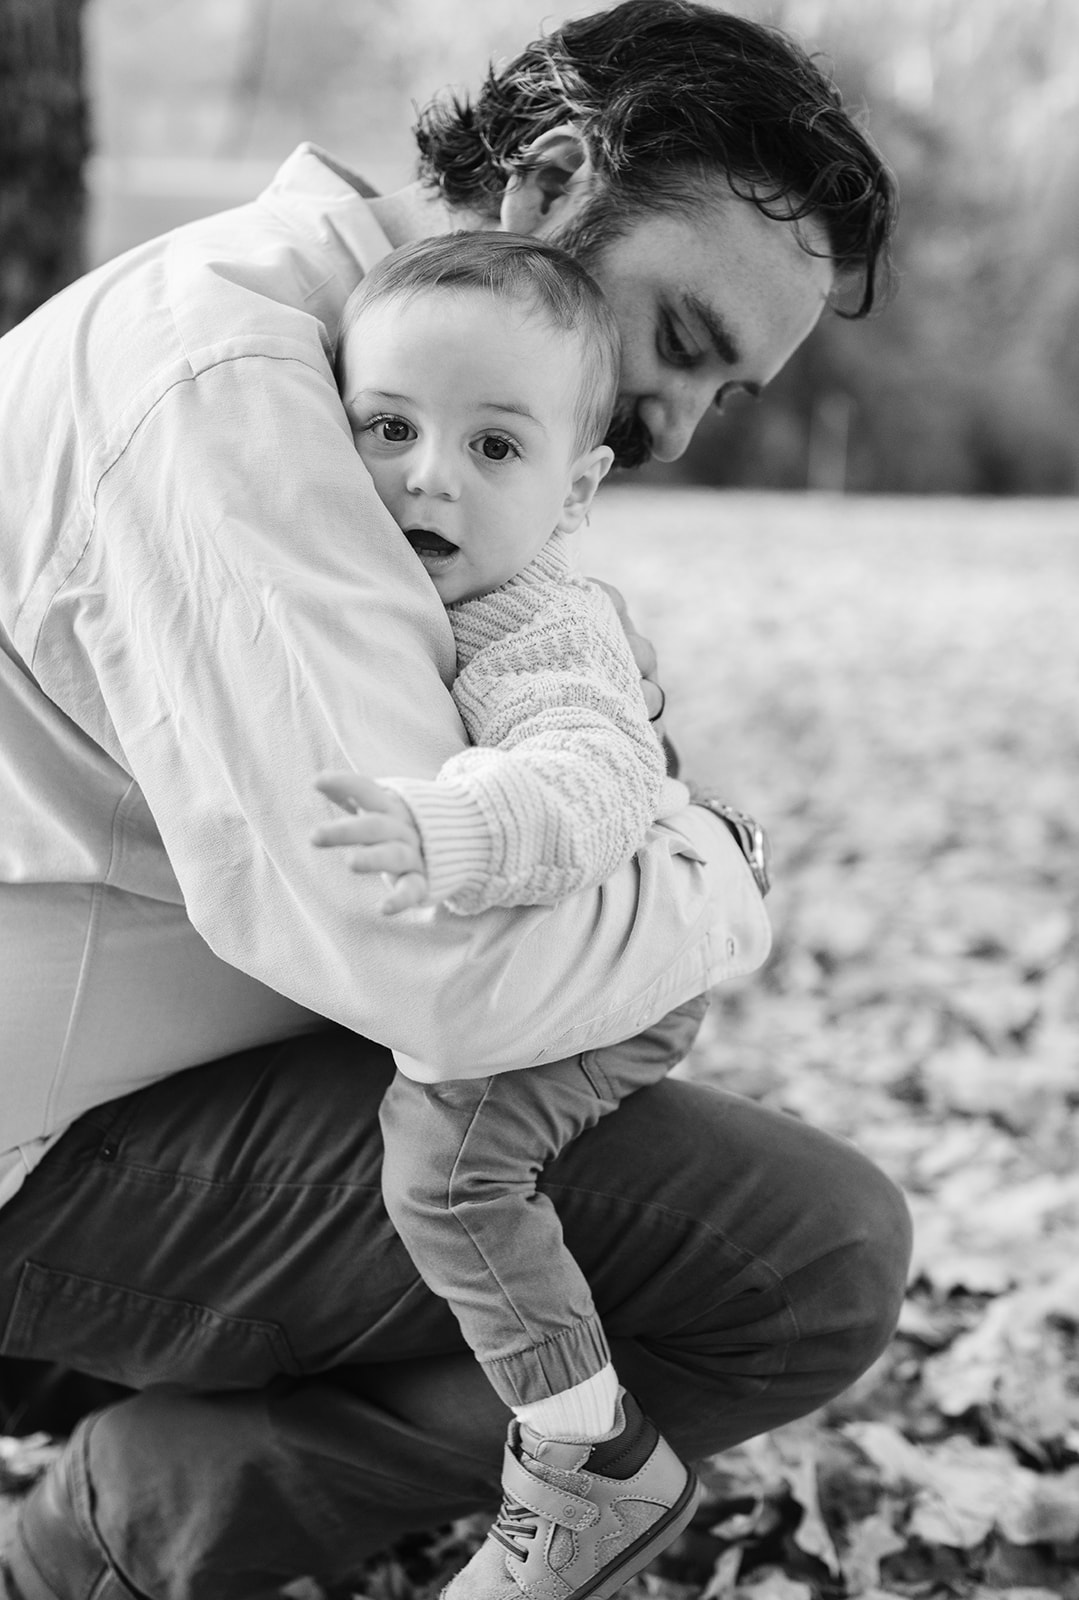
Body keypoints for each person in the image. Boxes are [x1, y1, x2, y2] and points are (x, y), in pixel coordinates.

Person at [0, 2, 910, 1594]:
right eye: (685, 342)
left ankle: (153, 1489)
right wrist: (721, 862)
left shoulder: (352, 381)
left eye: (728, 396)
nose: (675, 428)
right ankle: (82, 1554)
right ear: (555, 185)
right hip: (40, 1154)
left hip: (133, 1078)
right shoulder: (234, 399)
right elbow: (455, 976)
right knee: (798, 1260)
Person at [314, 229, 720, 1600]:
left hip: (616, 977)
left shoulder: (540, 626)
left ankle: (587, 1460)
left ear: (576, 487)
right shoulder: (434, 586)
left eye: (495, 449)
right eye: (387, 427)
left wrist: (454, 824)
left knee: (448, 1169)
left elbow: (597, 779)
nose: (428, 473)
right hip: (563, 947)